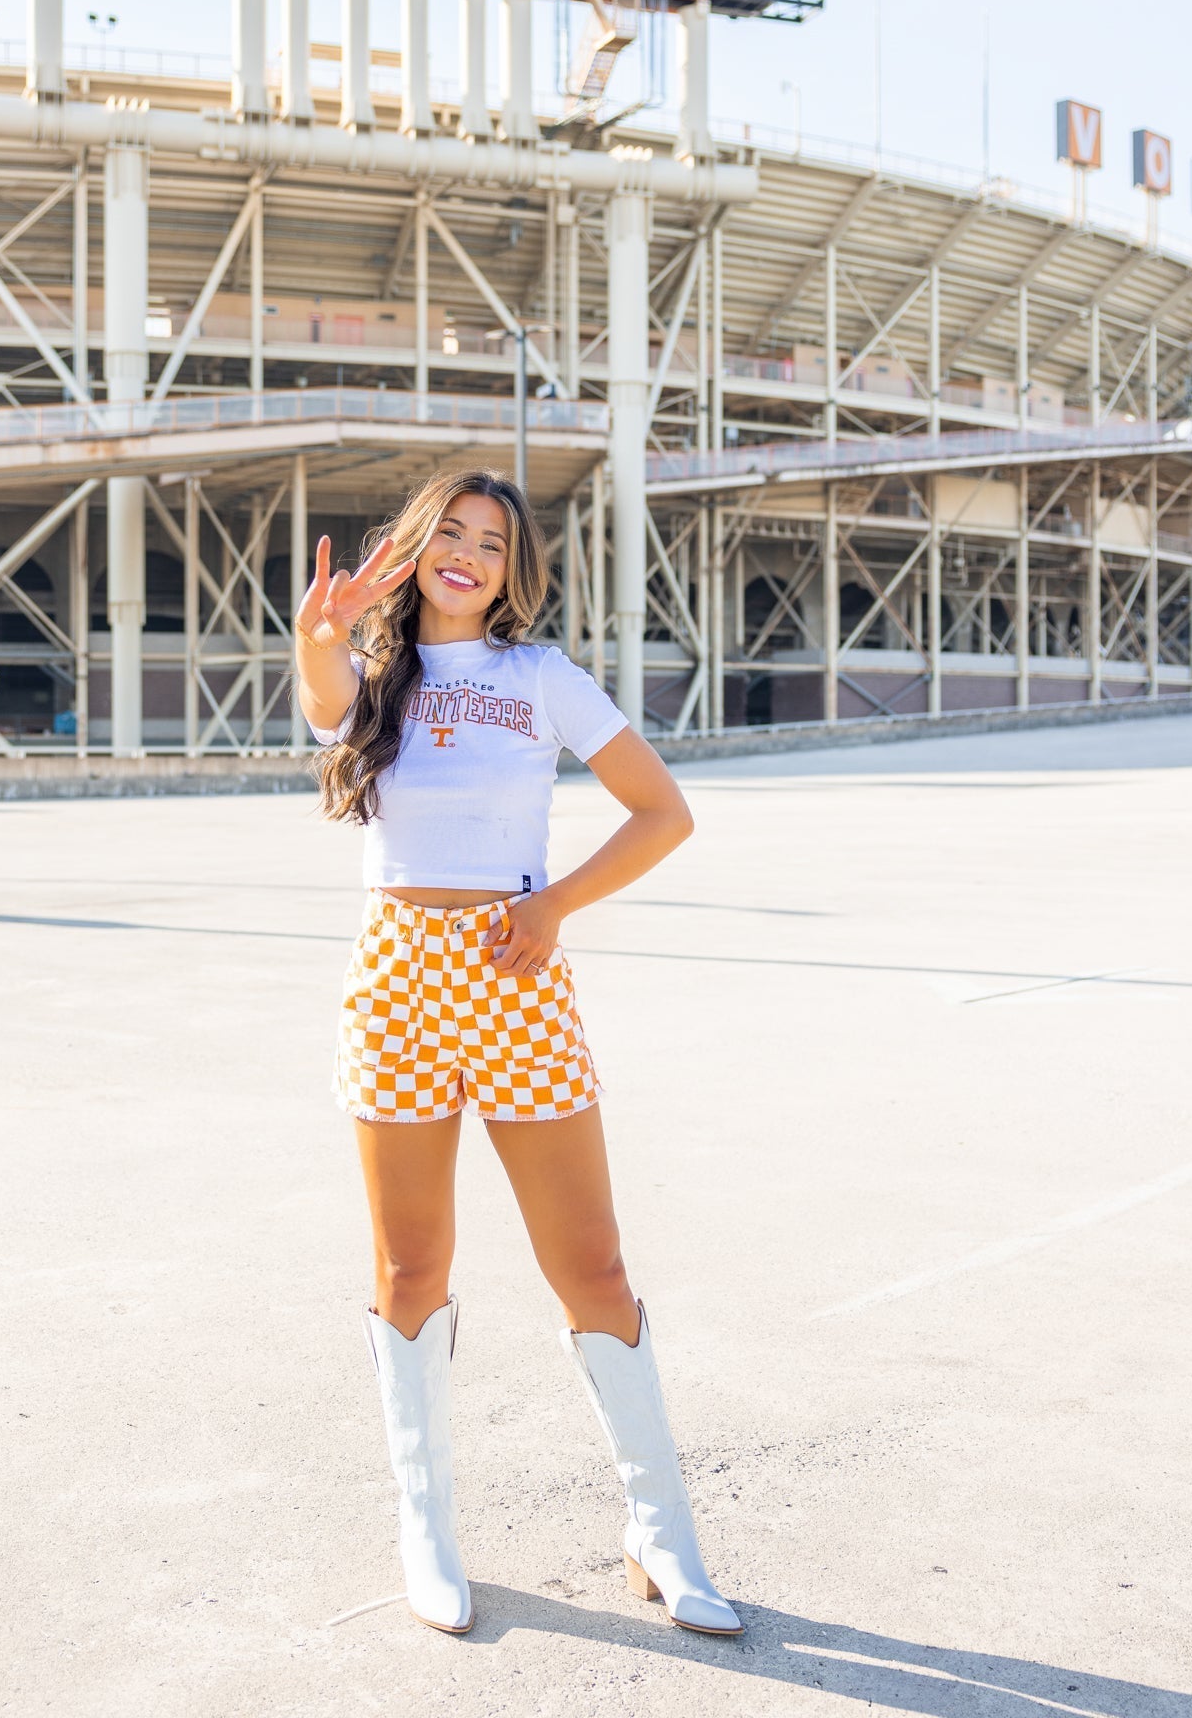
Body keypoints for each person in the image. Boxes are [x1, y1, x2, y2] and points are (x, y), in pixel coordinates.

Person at [296, 468, 740, 1639]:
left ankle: (661, 1529)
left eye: (492, 541)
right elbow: (325, 697)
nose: (469, 553)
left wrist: (554, 905)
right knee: (410, 1267)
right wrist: (323, 635)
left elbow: (662, 810)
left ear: (512, 570)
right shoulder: (377, 675)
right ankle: (428, 1529)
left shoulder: (541, 676)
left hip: (517, 974)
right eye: (450, 531)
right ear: (413, 548)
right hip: (398, 979)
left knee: (591, 1259)